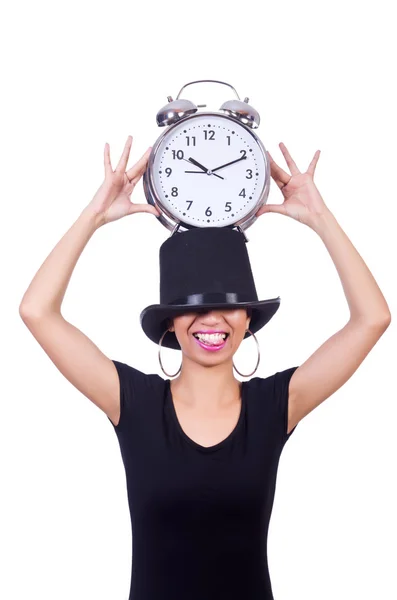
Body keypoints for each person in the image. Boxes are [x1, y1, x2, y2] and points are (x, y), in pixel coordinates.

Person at [19, 135, 391, 600]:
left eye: (228, 305)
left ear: (248, 320)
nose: (212, 319)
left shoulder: (277, 405)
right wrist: (93, 216)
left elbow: (373, 318)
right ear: (170, 324)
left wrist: (321, 219)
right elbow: (37, 311)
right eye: (195, 306)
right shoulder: (131, 401)